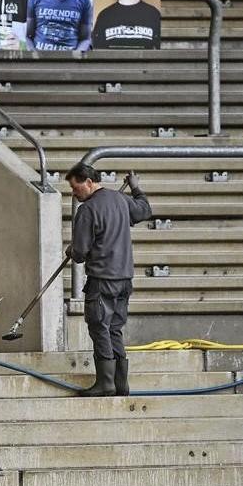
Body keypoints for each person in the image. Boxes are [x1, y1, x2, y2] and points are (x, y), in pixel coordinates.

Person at [64, 164, 152, 396]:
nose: (74, 193)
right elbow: (144, 211)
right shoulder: (120, 200)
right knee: (114, 328)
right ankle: (120, 383)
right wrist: (136, 188)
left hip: (102, 279)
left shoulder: (88, 210)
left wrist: (72, 251)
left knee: (99, 327)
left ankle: (105, 383)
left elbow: (81, 253)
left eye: (75, 187)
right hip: (124, 279)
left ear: (88, 182)